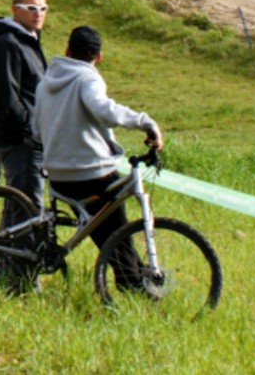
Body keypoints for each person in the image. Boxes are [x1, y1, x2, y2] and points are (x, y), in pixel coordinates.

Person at [31, 25, 162, 289]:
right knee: (116, 226)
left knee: (108, 227)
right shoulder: (88, 79)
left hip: (58, 176)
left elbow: (36, 131)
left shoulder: (45, 83)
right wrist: (144, 122)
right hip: (90, 172)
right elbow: (103, 110)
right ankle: (132, 281)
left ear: (68, 50)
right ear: (98, 57)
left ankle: (133, 275)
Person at [0, 0, 48, 203]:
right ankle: (20, 239)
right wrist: (28, 130)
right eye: (31, 8)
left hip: (32, 136)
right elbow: (7, 97)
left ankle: (6, 238)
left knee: (20, 202)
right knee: (28, 204)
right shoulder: (8, 43)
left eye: (43, 8)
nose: (38, 14)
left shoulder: (30, 39)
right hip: (19, 139)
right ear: (15, 10)